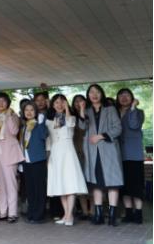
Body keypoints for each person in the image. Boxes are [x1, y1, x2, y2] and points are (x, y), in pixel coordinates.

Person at [77, 84, 123, 226]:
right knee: (96, 184)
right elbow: (82, 126)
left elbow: (118, 128)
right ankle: (98, 215)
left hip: (109, 151)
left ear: (101, 94)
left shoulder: (110, 110)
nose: (94, 94)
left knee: (112, 183)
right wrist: (82, 109)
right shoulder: (87, 111)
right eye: (91, 92)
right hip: (93, 152)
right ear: (88, 95)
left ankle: (112, 215)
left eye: (97, 92)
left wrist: (101, 136)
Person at [46, 94, 88, 226]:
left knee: (70, 183)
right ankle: (66, 214)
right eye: (56, 102)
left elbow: (69, 124)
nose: (59, 105)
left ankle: (69, 215)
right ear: (52, 105)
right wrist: (48, 157)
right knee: (60, 184)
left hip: (68, 152)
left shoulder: (71, 117)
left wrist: (66, 109)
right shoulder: (49, 121)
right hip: (55, 152)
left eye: (62, 102)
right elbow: (49, 140)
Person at [0, 93, 24, 223]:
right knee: (0, 184)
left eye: (3, 101)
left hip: (9, 153)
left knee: (11, 184)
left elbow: (14, 131)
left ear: (8, 103)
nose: (1, 103)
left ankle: (13, 212)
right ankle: (3, 211)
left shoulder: (13, 116)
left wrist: (8, 116)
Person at [116, 88, 145, 224]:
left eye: (127, 95)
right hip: (119, 155)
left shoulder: (139, 112)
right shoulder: (115, 112)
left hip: (134, 155)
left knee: (136, 187)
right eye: (121, 95)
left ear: (132, 97)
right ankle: (128, 214)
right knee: (125, 187)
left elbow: (134, 125)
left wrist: (133, 108)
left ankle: (138, 214)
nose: (124, 98)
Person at [19, 101, 48, 223]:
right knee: (30, 189)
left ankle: (39, 215)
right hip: (26, 161)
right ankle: (31, 213)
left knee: (39, 189)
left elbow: (43, 136)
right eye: (26, 110)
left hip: (38, 160)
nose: (29, 112)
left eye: (32, 110)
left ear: (36, 112)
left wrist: (41, 123)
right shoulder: (24, 126)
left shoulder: (39, 124)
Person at [71, 95, 91, 220]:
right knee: (80, 182)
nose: (78, 103)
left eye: (81, 101)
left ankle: (93, 211)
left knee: (90, 182)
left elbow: (85, 129)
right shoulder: (71, 117)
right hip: (75, 153)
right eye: (76, 101)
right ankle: (84, 211)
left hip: (88, 152)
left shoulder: (90, 115)